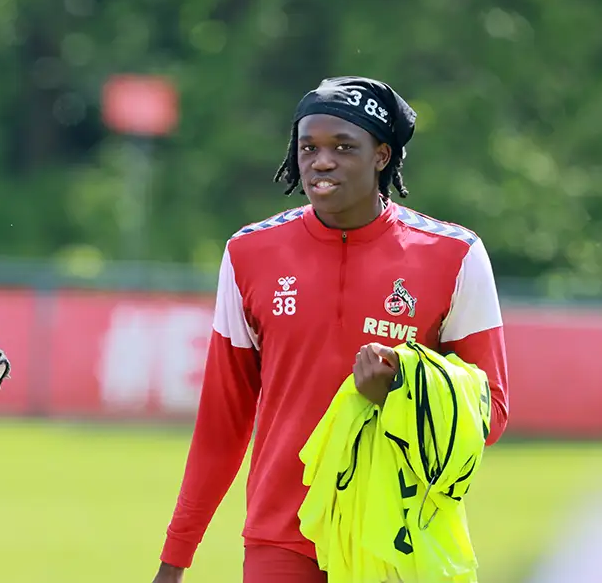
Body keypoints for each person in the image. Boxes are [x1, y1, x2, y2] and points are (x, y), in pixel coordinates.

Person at [151, 76, 510, 583]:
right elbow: (221, 423)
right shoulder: (248, 254)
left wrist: (401, 389)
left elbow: (490, 413)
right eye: (309, 147)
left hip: (398, 542)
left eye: (344, 146)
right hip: (281, 539)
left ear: (382, 155)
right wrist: (175, 558)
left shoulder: (456, 256)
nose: (321, 161)